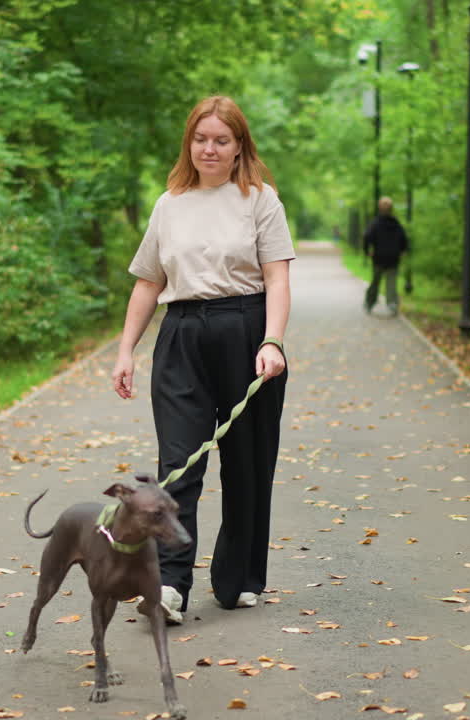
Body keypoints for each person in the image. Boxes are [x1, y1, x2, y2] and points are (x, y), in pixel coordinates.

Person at [111, 95, 294, 624]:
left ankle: (237, 578)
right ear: (188, 142)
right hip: (182, 337)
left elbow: (278, 277)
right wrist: (126, 351)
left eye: (221, 140)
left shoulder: (261, 200)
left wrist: (272, 340)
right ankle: (169, 585)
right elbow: (148, 283)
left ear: (239, 149)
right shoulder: (169, 203)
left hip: (246, 333)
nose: (208, 149)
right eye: (200, 138)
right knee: (177, 467)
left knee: (247, 465)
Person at [362, 196, 409, 316]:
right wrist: (403, 250)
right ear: (391, 208)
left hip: (379, 257)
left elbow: (367, 237)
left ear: (379, 208)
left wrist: (367, 251)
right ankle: (392, 304)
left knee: (375, 281)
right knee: (391, 283)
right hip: (393, 257)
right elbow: (404, 238)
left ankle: (369, 303)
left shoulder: (375, 223)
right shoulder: (396, 223)